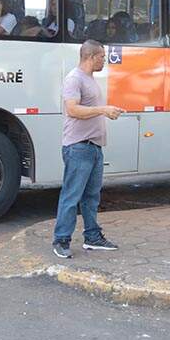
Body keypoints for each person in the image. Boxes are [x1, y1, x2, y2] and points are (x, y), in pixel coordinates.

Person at [52, 39, 125, 258]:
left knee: (91, 197)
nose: (104, 60)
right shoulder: (74, 79)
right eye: (102, 56)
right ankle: (61, 240)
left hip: (93, 147)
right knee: (71, 195)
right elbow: (72, 110)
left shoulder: (90, 79)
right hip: (79, 147)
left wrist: (106, 111)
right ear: (91, 57)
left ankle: (92, 237)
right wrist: (103, 110)